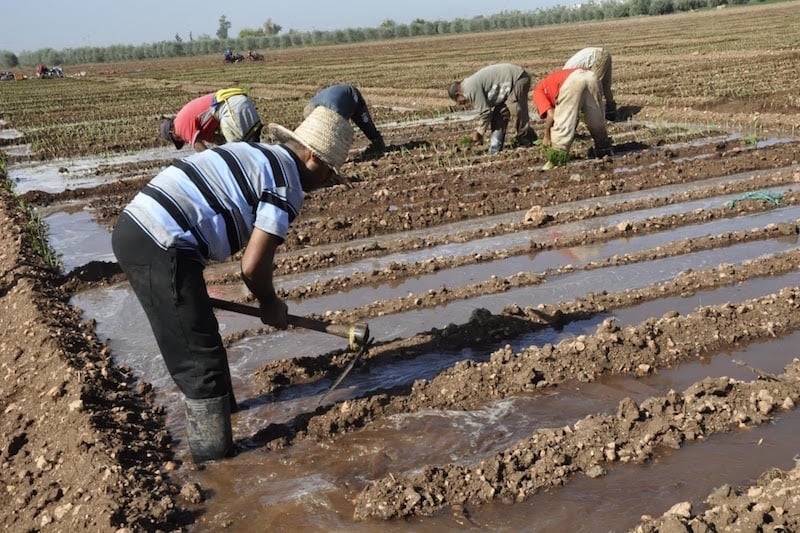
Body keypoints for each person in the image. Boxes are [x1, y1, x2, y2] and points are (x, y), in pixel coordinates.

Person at [114, 106, 354, 462]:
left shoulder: (261, 153)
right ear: (314, 158)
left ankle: (227, 421)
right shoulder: (286, 183)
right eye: (330, 173)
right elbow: (253, 267)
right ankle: (216, 466)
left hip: (148, 231)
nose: (328, 182)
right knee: (199, 363)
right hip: (160, 241)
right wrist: (270, 303)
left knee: (202, 337)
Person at [532, 68, 611, 170]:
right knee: (595, 119)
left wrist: (546, 136)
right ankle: (604, 151)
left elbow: (551, 114)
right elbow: (575, 115)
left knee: (563, 126)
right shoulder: (552, 81)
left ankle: (556, 159)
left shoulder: (538, 91)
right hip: (591, 76)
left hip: (573, 81)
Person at [448, 63, 536, 154]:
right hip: (509, 84)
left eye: (459, 101)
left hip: (518, 78)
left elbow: (485, 112)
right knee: (499, 114)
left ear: (458, 94)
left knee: (514, 107)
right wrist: (480, 133)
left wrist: (479, 132)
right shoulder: (468, 86)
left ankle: (525, 139)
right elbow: (487, 112)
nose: (463, 104)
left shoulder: (468, 89)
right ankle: (496, 147)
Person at [160, 88, 262, 152]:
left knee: (238, 152)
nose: (182, 139)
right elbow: (219, 140)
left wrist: (214, 164)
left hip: (229, 107)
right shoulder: (200, 128)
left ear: (172, 131)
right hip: (240, 100)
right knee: (253, 147)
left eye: (176, 138)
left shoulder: (179, 125)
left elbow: (200, 149)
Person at [304, 84, 385, 154]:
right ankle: (376, 140)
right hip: (340, 98)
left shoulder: (319, 104)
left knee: (328, 132)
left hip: (343, 98)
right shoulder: (317, 102)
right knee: (364, 122)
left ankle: (377, 142)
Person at [564, 46, 616, 120]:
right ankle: (611, 111)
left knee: (594, 86)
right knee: (605, 86)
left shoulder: (567, 73)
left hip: (597, 57)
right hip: (604, 54)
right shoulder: (567, 69)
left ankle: (597, 117)